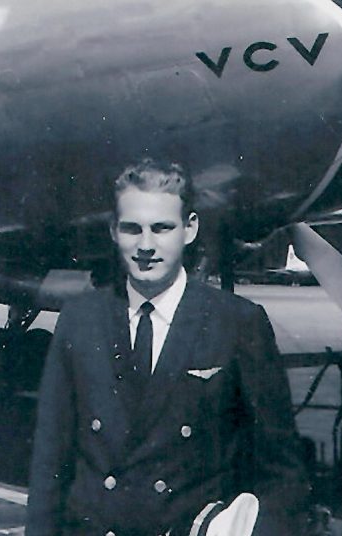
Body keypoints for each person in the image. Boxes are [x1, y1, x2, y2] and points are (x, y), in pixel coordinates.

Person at [26, 159, 310, 536]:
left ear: (189, 229)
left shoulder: (236, 323)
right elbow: (49, 465)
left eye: (162, 228)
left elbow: (282, 473)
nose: (146, 246)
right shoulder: (80, 320)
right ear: (113, 231)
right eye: (132, 228)